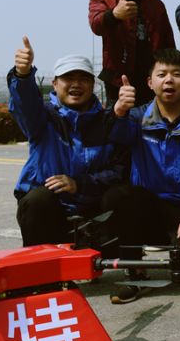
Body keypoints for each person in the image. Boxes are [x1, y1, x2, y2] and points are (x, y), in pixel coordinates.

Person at [104, 49, 180, 304]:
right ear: (149, 82)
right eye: (162, 74)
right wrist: (119, 113)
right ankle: (135, 271)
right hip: (150, 212)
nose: (169, 80)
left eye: (176, 74)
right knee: (118, 196)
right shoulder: (136, 118)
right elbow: (116, 138)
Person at [8, 37, 127, 248]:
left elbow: (118, 172)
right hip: (51, 210)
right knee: (38, 200)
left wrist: (79, 184)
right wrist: (23, 75)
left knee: (124, 196)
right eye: (68, 78)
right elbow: (25, 104)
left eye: (83, 79)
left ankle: (125, 259)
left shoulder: (108, 121)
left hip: (93, 209)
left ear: (93, 84)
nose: (76, 84)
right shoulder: (42, 119)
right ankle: (42, 264)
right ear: (55, 84)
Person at [88, 0, 175, 106]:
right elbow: (96, 25)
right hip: (118, 81)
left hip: (154, 81)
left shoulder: (156, 4)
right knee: (119, 120)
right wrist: (114, 15)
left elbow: (168, 44)